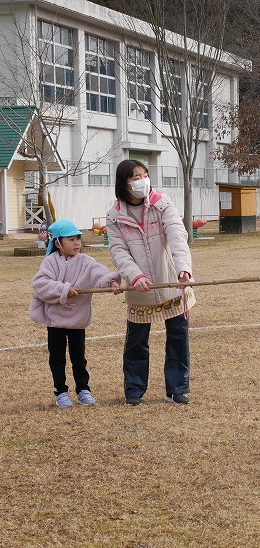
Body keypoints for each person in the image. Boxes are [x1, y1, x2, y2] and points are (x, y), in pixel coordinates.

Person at [106, 159, 195, 406]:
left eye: (144, 175)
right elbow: (118, 252)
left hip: (172, 283)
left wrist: (183, 269)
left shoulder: (162, 203)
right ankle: (134, 389)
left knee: (178, 336)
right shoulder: (115, 217)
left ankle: (176, 388)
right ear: (123, 183)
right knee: (136, 340)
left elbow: (177, 236)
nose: (142, 181)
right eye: (135, 178)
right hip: (139, 289)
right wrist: (135, 276)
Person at [30, 219, 122, 408]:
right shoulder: (50, 262)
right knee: (57, 358)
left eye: (78, 239)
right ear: (57, 242)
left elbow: (100, 273)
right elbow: (40, 284)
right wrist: (65, 289)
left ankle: (83, 389)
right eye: (71, 240)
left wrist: (111, 282)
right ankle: (61, 392)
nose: (76, 244)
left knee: (79, 358)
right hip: (55, 321)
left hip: (78, 320)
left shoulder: (86, 261)